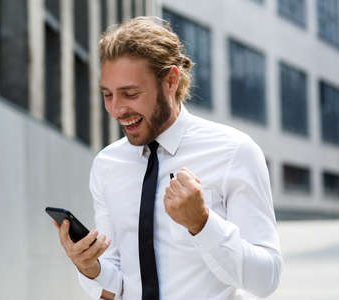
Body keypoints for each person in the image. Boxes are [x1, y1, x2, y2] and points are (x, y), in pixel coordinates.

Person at [54, 17, 282, 300]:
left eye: (131, 93)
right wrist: (90, 267)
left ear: (171, 81)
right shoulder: (107, 165)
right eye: (108, 95)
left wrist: (202, 224)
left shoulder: (234, 151)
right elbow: (119, 286)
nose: (116, 110)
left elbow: (266, 279)